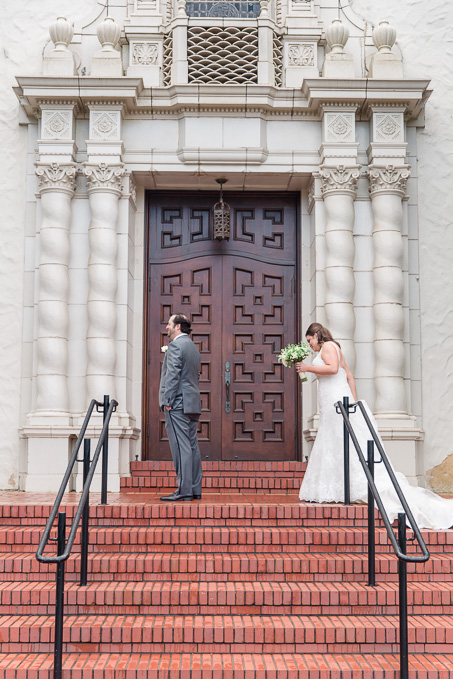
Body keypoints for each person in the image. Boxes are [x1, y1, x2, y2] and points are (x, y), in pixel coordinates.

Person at [296, 322, 453, 530]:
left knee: (341, 441)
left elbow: (333, 370)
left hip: (335, 402)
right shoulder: (336, 347)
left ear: (317, 335)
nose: (310, 346)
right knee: (337, 442)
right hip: (336, 402)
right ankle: (340, 488)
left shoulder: (328, 346)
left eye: (310, 341)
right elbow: (349, 376)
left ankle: (348, 487)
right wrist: (353, 401)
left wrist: (307, 367)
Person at [159, 313, 203, 501]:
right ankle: (194, 488)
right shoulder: (193, 347)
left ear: (178, 327)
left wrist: (168, 401)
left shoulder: (176, 345)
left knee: (181, 446)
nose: (166, 327)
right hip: (192, 403)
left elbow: (173, 375)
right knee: (192, 446)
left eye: (169, 324)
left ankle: (183, 490)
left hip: (177, 404)